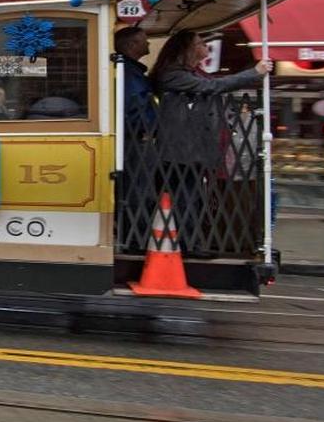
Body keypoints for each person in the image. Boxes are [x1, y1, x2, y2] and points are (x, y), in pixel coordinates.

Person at [150, 30, 272, 258]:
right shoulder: (173, 74)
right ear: (187, 49)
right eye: (199, 42)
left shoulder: (191, 73)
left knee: (193, 197)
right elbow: (211, 87)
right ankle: (189, 246)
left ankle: (192, 243)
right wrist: (253, 73)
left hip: (194, 150)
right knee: (187, 197)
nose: (204, 46)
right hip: (181, 152)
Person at [114, 26, 157, 254]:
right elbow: (132, 106)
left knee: (140, 190)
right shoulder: (128, 73)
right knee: (137, 190)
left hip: (137, 137)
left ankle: (136, 237)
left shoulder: (132, 71)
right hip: (135, 139)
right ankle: (135, 240)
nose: (149, 44)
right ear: (132, 46)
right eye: (144, 40)